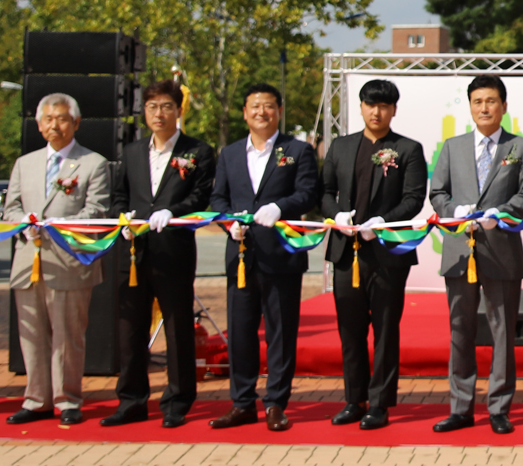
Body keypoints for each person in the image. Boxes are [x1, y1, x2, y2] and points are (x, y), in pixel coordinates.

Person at [427, 74, 523, 434]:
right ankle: (460, 407)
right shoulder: (452, 147)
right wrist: (454, 211)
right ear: (470, 106)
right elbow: (437, 192)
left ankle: (499, 407)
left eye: (491, 101)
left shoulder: (520, 147)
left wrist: (500, 213)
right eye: (478, 101)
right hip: (460, 251)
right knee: (460, 329)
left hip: (501, 250)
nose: (484, 108)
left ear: (503, 106)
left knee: (502, 330)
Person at [208, 83, 320, 432]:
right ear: (244, 113)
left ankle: (276, 403)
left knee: (280, 334)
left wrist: (280, 207)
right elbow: (218, 198)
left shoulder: (298, 150)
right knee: (240, 333)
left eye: (268, 106)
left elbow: (308, 193)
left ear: (279, 111)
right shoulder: (229, 153)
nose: (261, 112)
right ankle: (242, 402)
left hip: (281, 255)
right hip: (241, 256)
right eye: (255, 106)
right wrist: (228, 224)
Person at [108, 80, 216, 428]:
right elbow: (119, 195)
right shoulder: (132, 152)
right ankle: (131, 400)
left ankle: (177, 401)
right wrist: (123, 219)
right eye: (152, 106)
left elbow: (201, 196)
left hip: (174, 252)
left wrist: (174, 211)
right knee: (130, 330)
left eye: (166, 106)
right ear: (144, 112)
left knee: (177, 327)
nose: (159, 113)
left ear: (178, 110)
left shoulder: (197, 151)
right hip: (134, 253)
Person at [320, 77, 427, 429]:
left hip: (386, 253)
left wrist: (383, 221)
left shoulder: (407, 149)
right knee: (350, 330)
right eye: (370, 105)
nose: (376, 112)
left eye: (383, 106)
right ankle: (355, 399)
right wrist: (335, 215)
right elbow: (325, 191)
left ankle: (379, 403)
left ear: (393, 110)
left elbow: (414, 198)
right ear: (361, 107)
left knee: (385, 329)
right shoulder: (341, 146)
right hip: (345, 252)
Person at [4, 94, 113, 426]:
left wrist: (56, 226)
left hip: (69, 262)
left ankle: (67, 399)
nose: (55, 125)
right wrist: (24, 224)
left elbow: (96, 211)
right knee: (32, 335)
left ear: (76, 123)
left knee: (68, 336)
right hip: (29, 260)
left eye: (62, 119)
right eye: (48, 119)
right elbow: (10, 209)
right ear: (39, 125)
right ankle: (36, 399)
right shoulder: (24, 163)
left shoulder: (93, 163)